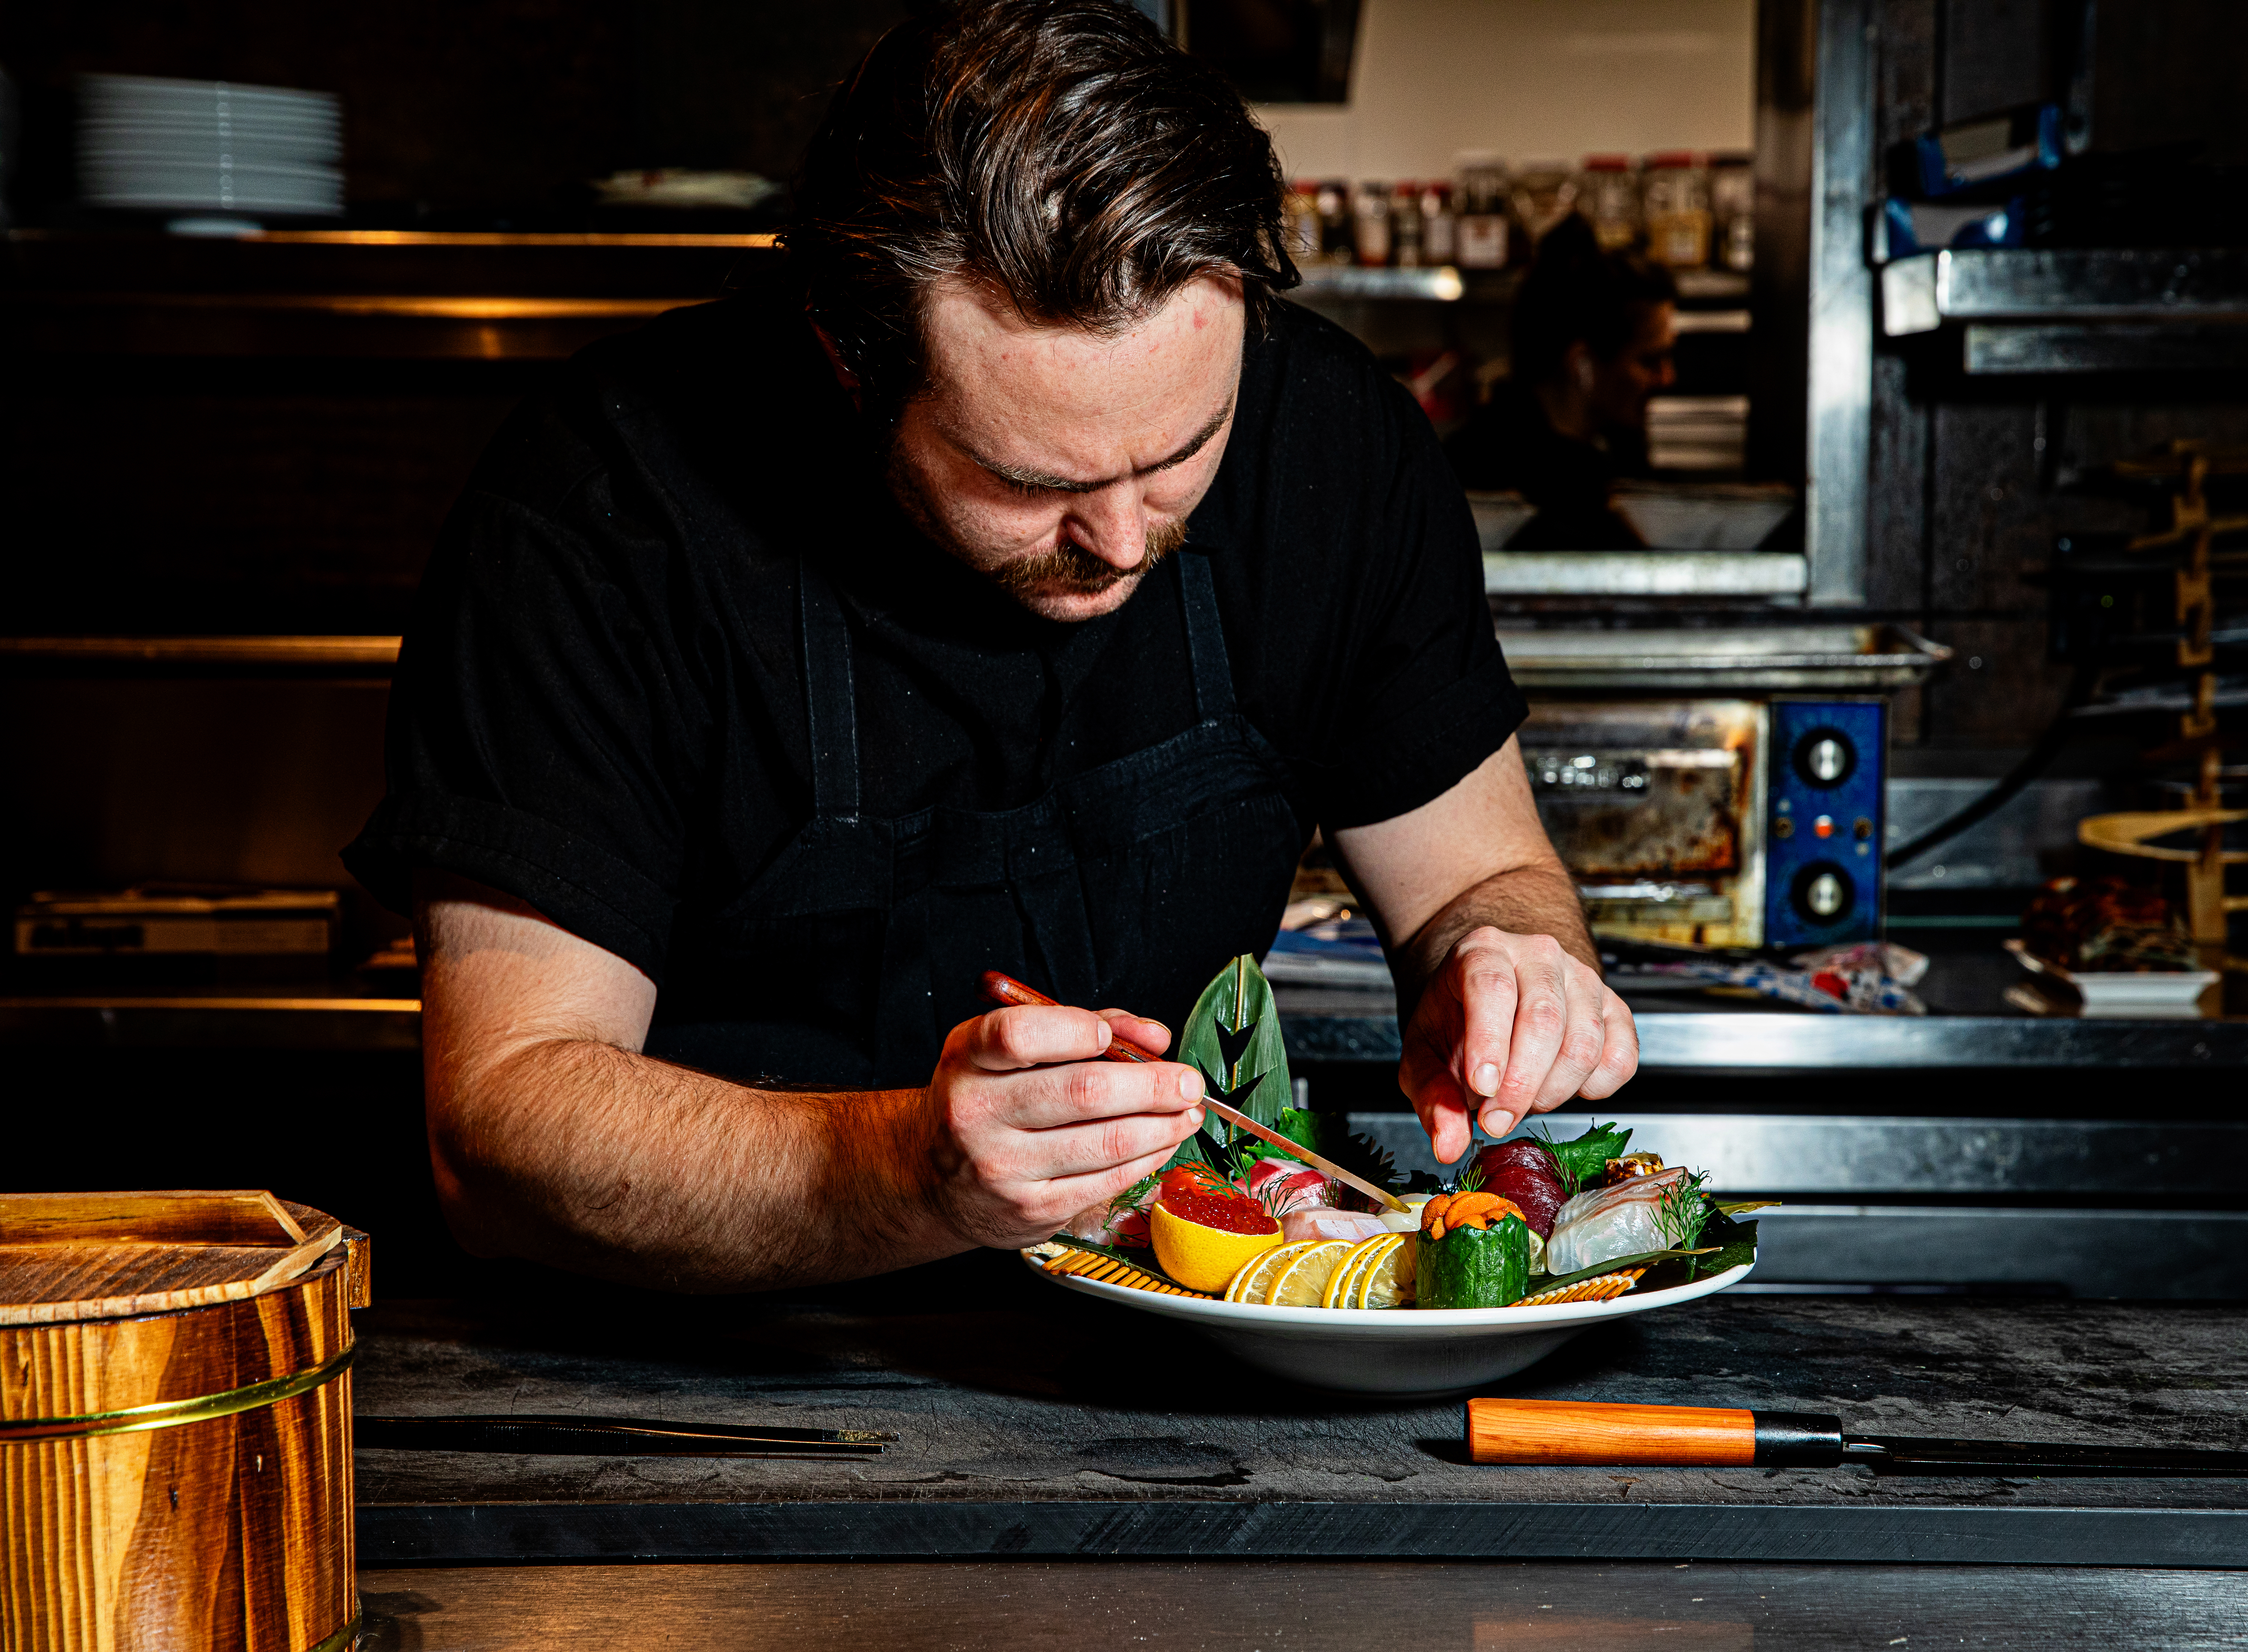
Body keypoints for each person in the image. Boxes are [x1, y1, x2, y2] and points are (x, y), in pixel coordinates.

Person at [344, 0, 1638, 1292]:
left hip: (1174, 1348)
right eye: (1030, 482)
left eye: (1185, 452)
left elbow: (1484, 881)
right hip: (700, 1384)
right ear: (852, 369)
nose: (1126, 541)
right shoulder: (603, 507)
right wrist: (909, 1170)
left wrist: (1513, 962)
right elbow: (501, 1129)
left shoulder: (1338, 445)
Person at [1443, 214, 1678, 549]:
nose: (1668, 378)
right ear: (1582, 363)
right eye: (1650, 361)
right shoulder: (1490, 471)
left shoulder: (1616, 455)